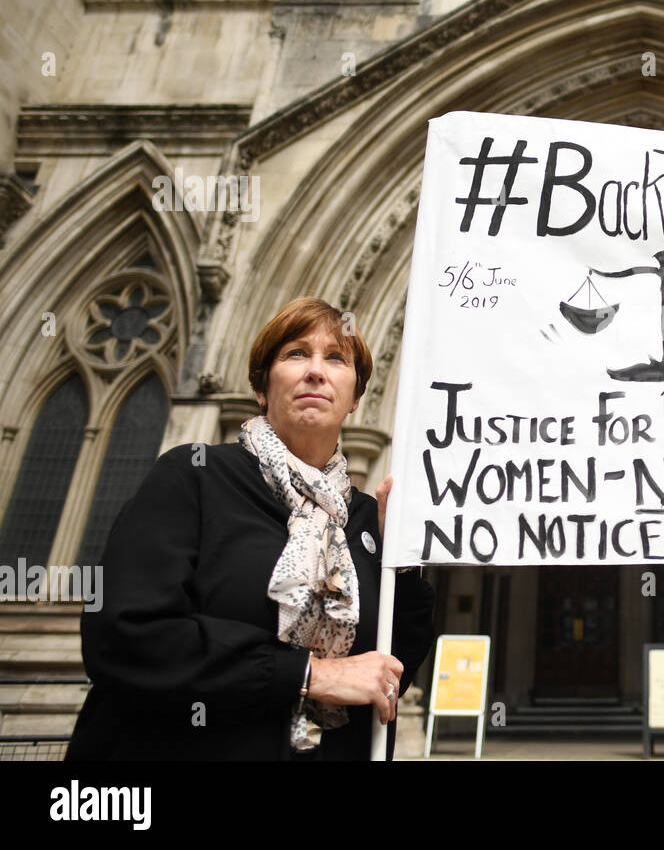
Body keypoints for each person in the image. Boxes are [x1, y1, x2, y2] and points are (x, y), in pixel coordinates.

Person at [68, 298, 436, 760]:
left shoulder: (365, 518)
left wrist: (400, 562)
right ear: (262, 388)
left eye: (337, 358)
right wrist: (309, 675)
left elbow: (391, 667)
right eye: (296, 354)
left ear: (357, 397)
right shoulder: (194, 476)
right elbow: (122, 635)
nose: (316, 372)